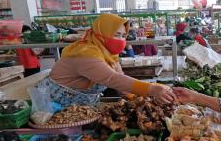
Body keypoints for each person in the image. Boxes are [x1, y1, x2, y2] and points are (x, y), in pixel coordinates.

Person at [44, 14, 175, 107]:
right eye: (116, 35)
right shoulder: (85, 53)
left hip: (82, 107)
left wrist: (138, 99)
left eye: (123, 36)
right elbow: (112, 79)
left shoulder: (108, 54)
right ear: (101, 33)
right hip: (58, 109)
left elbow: (120, 81)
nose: (121, 40)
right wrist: (152, 89)